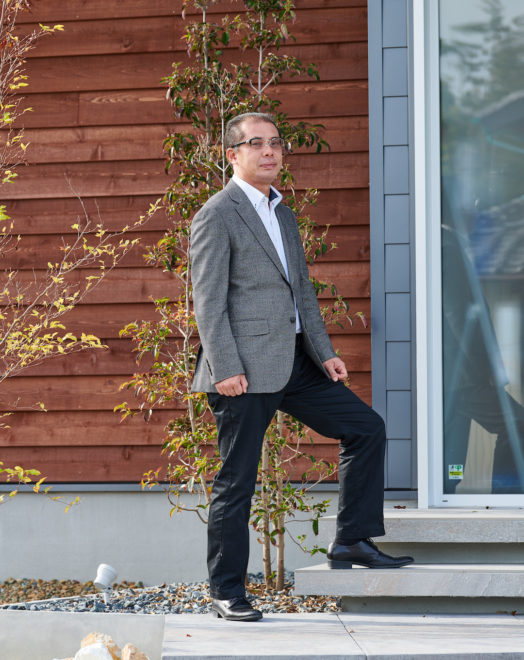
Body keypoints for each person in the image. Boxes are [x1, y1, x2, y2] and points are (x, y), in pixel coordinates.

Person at [190, 112, 413, 622]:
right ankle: (227, 590)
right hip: (242, 371)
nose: (269, 151)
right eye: (256, 144)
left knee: (365, 428)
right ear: (233, 154)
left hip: (295, 361)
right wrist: (225, 366)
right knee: (236, 482)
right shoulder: (217, 214)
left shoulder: (283, 213)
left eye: (275, 143)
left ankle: (352, 541)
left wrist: (324, 350)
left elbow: (301, 293)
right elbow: (208, 301)